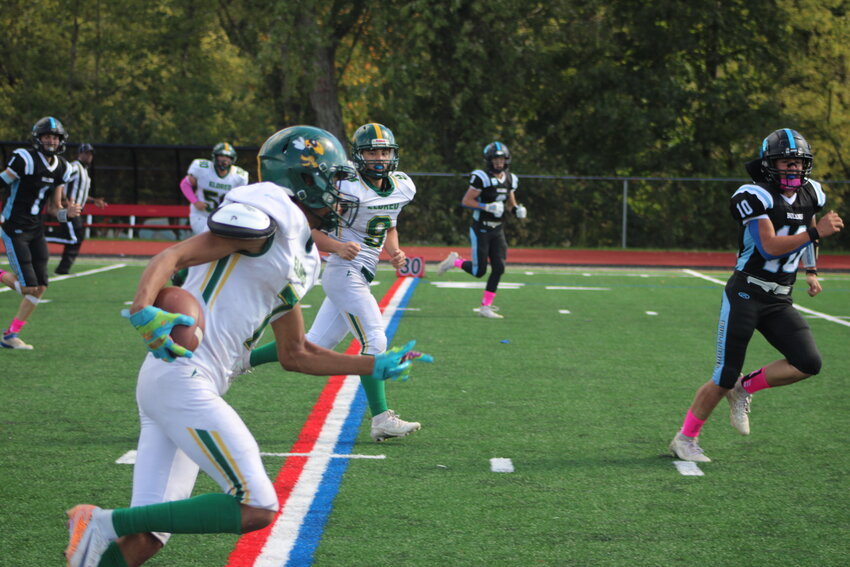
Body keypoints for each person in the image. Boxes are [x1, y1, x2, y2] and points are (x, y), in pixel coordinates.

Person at [63, 125, 432, 567]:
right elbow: (174, 257)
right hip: (184, 375)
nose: (340, 191)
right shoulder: (265, 214)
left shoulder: (304, 249)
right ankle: (103, 522)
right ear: (304, 177)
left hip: (181, 382)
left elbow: (298, 353)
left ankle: (103, 540)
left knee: (149, 536)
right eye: (332, 178)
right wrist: (144, 307)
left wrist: (371, 365)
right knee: (257, 505)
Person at [236, 122, 421, 442]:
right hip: (344, 272)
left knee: (315, 344)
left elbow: (389, 224)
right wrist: (337, 247)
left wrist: (394, 251)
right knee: (375, 340)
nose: (380, 158)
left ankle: (242, 359)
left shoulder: (403, 186)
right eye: (373, 151)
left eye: (385, 151)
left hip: (360, 272)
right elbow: (306, 225)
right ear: (359, 156)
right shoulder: (346, 186)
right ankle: (381, 418)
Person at [669, 128, 844, 463]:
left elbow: (808, 229)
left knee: (808, 363)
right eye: (785, 162)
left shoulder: (812, 194)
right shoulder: (754, 194)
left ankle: (745, 387)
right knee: (723, 373)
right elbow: (768, 246)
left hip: (779, 298)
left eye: (798, 163)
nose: (793, 169)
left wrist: (811, 270)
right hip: (747, 292)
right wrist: (814, 231)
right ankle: (685, 439)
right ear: (769, 164)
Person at [0, 117, 81, 350]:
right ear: (38, 138)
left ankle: (10, 334)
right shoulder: (24, 159)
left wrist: (69, 214)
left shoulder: (63, 167)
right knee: (27, 287)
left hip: (35, 230)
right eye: (47, 136)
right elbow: (2, 181)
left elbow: (55, 209)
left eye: (55, 137)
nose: (51, 140)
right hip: (14, 227)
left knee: (41, 286)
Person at [436, 141, 527, 318]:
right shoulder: (481, 177)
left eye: (501, 159)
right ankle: (455, 262)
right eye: (495, 159)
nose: (499, 162)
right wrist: (487, 207)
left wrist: (517, 210)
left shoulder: (510, 178)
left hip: (498, 229)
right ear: (489, 160)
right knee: (479, 271)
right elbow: (466, 201)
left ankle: (485, 307)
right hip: (481, 229)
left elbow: (510, 202)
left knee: (499, 267)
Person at [45, 143, 107, 274]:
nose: (89, 156)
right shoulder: (74, 167)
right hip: (69, 210)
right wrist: (64, 200)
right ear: (80, 153)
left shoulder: (84, 171)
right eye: (86, 153)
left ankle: (62, 269)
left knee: (76, 238)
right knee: (74, 238)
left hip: (76, 210)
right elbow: (60, 180)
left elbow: (80, 192)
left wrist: (94, 200)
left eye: (90, 154)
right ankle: (41, 236)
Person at [180, 142, 249, 235]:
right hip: (201, 215)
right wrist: (195, 201)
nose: (225, 160)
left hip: (223, 217)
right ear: (215, 157)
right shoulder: (202, 168)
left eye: (228, 157)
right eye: (222, 156)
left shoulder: (239, 176)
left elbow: (241, 199)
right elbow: (185, 184)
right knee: (207, 238)